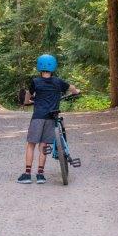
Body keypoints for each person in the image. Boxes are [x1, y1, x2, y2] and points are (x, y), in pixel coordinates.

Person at [17, 53, 80, 184]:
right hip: (51, 117)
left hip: (38, 117)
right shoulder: (58, 82)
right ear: (54, 66)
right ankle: (40, 175)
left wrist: (28, 101)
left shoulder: (35, 82)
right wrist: (76, 91)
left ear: (39, 67)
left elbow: (28, 97)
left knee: (31, 145)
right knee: (44, 145)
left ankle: (27, 174)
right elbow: (72, 89)